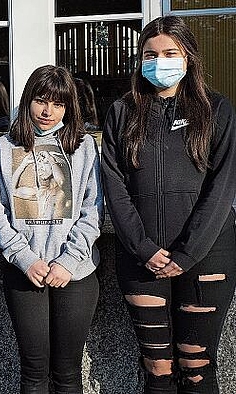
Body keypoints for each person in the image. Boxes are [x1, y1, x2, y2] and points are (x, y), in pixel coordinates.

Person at [101, 16, 236, 393]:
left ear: (189, 57)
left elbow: (222, 189)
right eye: (150, 54)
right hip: (140, 258)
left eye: (169, 53)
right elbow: (115, 186)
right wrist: (144, 248)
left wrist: (187, 252)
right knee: (157, 366)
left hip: (207, 256)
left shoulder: (217, 110)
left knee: (197, 365)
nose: (159, 62)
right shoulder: (122, 112)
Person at [0, 64, 103, 393]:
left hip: (75, 274)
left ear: (69, 107)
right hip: (25, 273)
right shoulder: (6, 147)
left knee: (67, 373)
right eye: (41, 100)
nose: (48, 111)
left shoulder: (83, 148)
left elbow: (93, 208)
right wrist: (24, 258)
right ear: (27, 102)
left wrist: (68, 261)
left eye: (58, 103)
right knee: (33, 370)